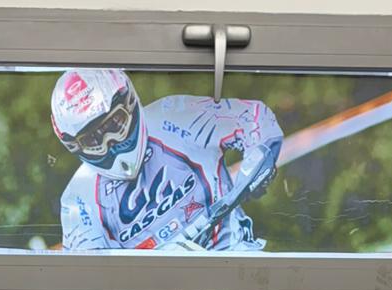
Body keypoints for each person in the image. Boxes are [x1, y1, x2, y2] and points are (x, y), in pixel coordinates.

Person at [51, 68, 282, 253]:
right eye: (93, 140)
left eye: (115, 124)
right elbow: (88, 276)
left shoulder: (175, 115)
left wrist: (258, 155)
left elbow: (253, 116)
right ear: (75, 147)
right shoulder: (78, 200)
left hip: (236, 259)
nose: (110, 143)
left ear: (129, 104)